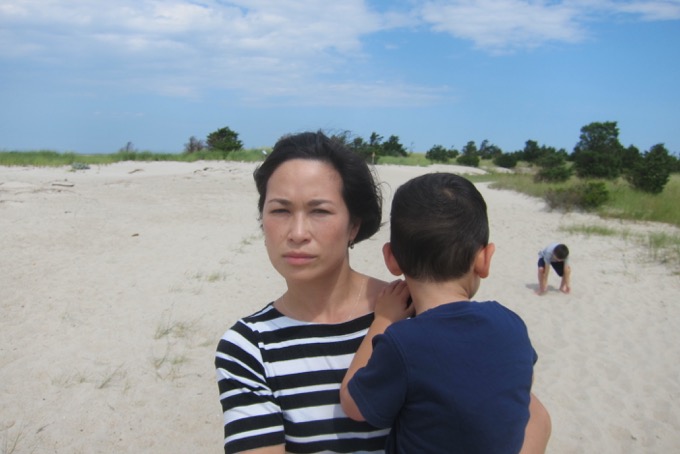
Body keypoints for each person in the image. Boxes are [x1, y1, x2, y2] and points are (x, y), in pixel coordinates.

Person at [215, 132, 551, 453]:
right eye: (280, 210)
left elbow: (530, 417)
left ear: (354, 225)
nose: (297, 232)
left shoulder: (421, 312)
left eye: (319, 210)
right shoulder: (248, 347)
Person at [340, 172, 547, 453]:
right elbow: (522, 388)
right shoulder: (512, 325)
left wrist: (384, 320)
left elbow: (353, 404)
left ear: (392, 259)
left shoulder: (404, 342)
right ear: (484, 259)